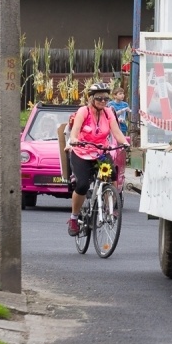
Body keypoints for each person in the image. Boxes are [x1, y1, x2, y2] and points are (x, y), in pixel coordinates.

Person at [64, 82, 130, 236]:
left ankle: (109, 208)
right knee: (82, 185)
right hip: (81, 151)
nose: (103, 102)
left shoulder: (108, 113)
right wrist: (73, 139)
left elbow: (116, 132)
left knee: (111, 175)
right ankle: (74, 218)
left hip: (100, 152)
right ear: (91, 98)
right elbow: (74, 131)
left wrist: (125, 142)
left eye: (106, 99)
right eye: (99, 98)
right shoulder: (83, 111)